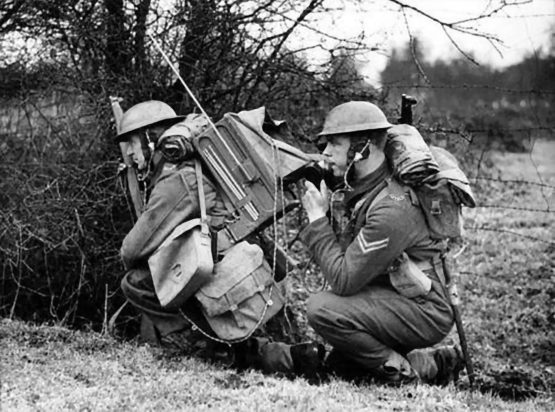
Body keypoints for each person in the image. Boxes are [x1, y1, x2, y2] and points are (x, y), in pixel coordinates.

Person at [115, 100, 323, 378]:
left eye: (131, 142)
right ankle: (283, 357)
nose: (128, 152)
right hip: (237, 261)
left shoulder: (176, 179)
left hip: (225, 270)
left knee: (137, 282)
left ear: (151, 138)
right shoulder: (187, 166)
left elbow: (133, 250)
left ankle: (201, 348)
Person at [299, 101, 464, 385]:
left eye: (334, 144)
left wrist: (317, 218)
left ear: (363, 148)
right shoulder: (367, 181)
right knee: (343, 366)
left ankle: (401, 371)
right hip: (395, 292)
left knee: (322, 309)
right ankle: (437, 363)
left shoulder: (392, 207)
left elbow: (343, 279)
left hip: (425, 308)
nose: (326, 152)